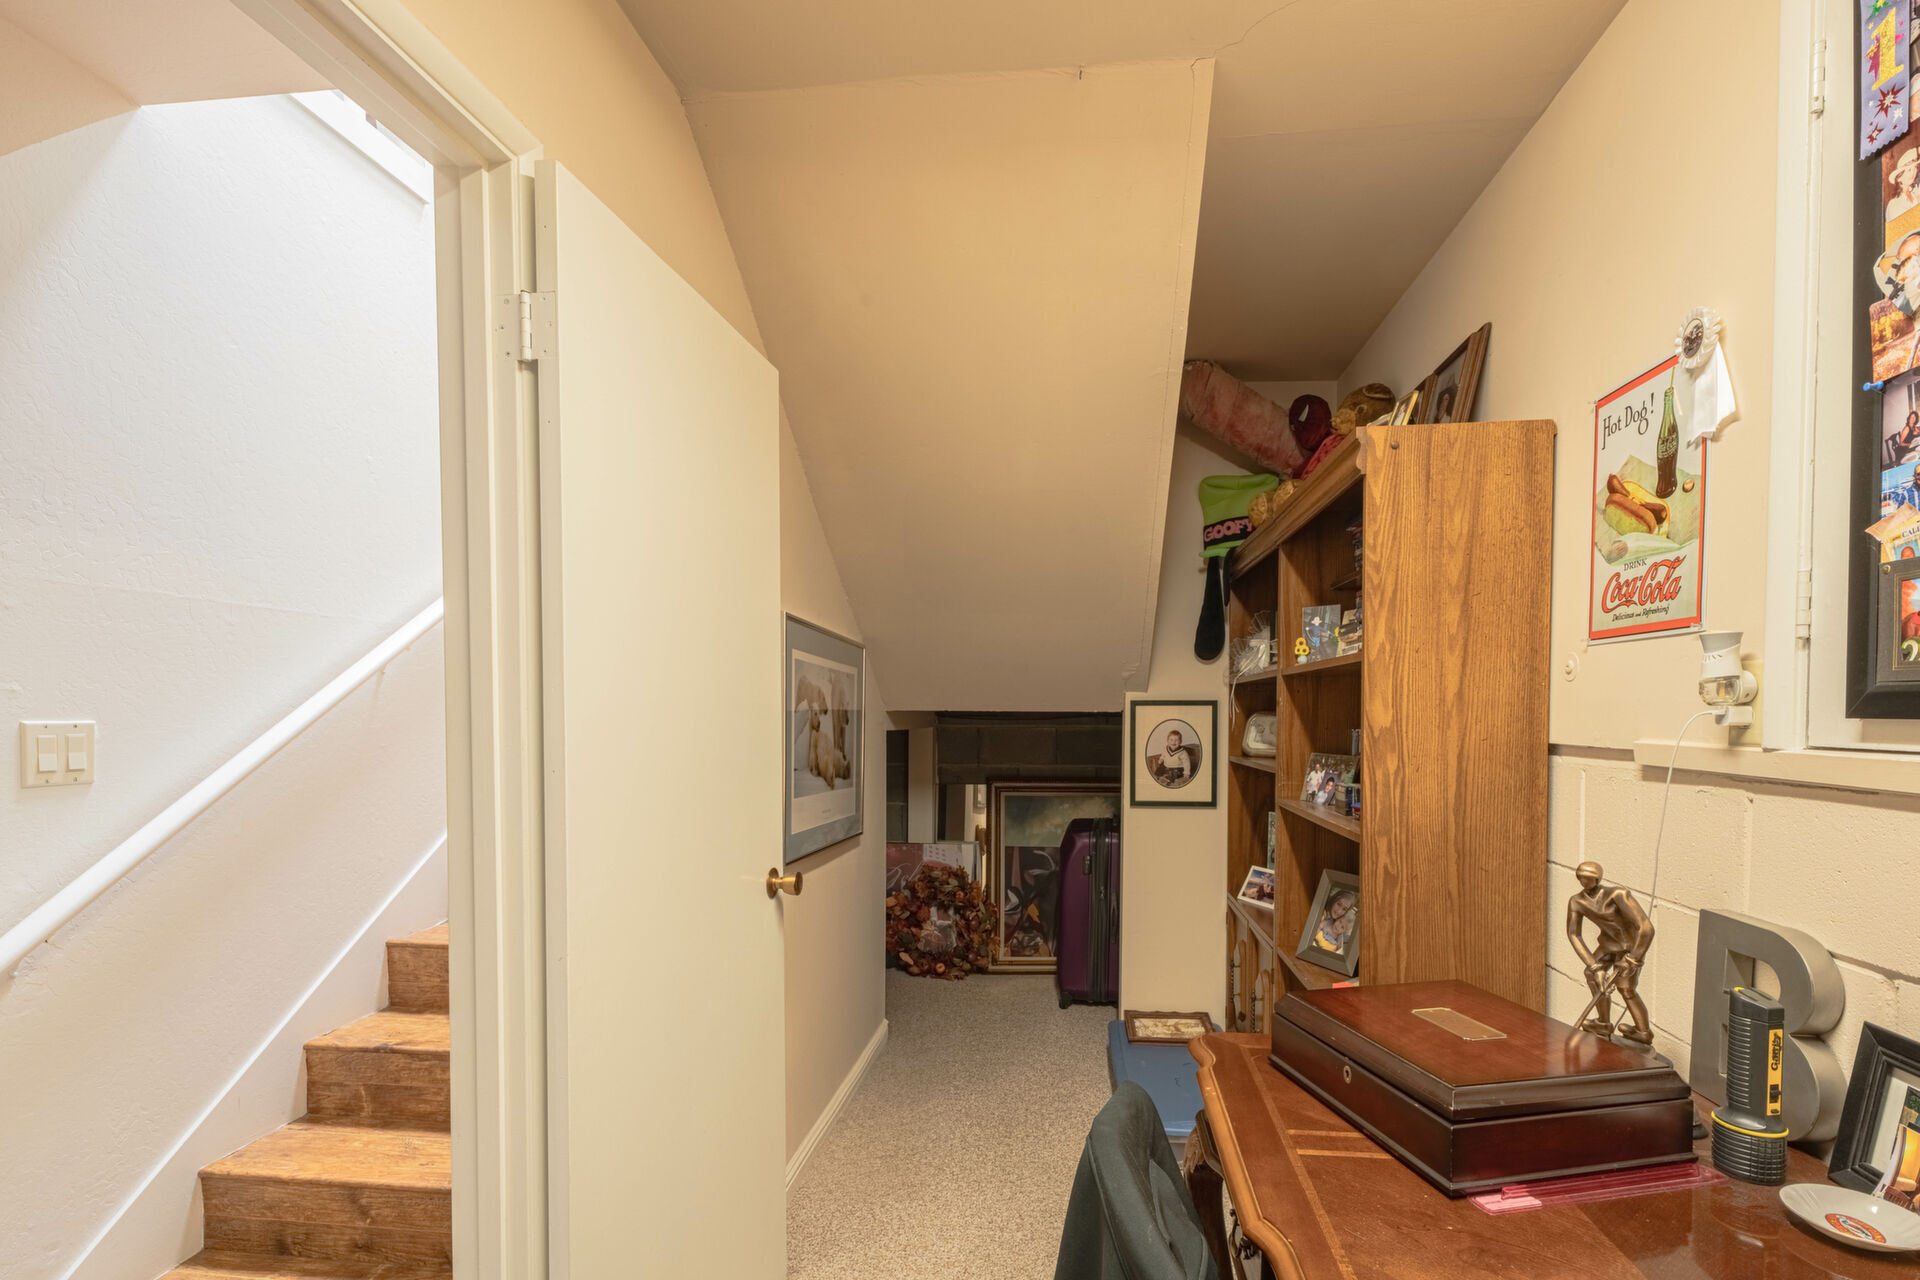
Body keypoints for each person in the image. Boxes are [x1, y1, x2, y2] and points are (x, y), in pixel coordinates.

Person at [1565, 861, 1654, 1046]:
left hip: (1629, 948)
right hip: (1607, 946)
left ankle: (1643, 1032)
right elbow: (1573, 934)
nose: (1583, 881)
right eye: (1580, 877)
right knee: (1592, 975)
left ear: (1597, 879)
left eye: (1588, 878)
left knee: (1625, 987)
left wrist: (1633, 959)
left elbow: (1645, 928)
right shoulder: (1577, 901)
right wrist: (1595, 967)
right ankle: (1603, 1023)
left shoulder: (1618, 895)